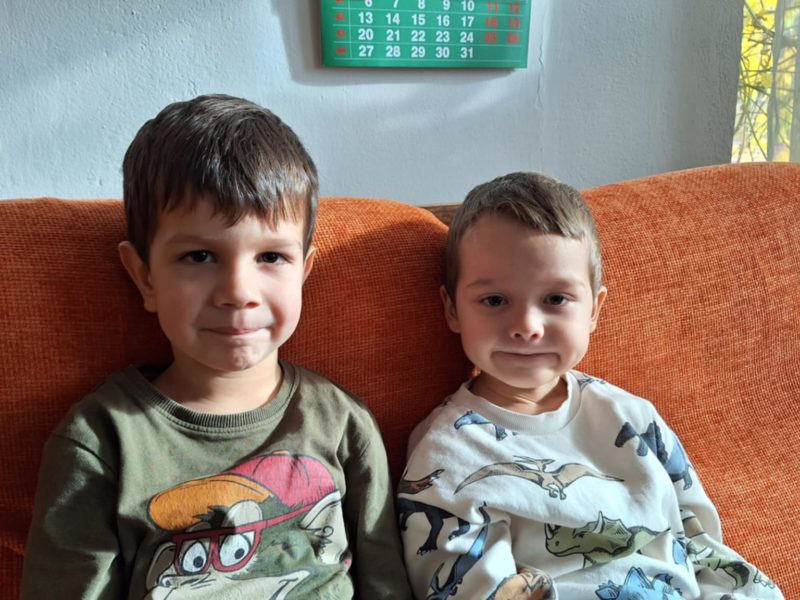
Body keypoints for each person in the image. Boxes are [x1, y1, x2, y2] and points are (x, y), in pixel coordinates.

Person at [22, 94, 411, 599]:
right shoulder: (101, 440)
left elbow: (385, 584)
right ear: (144, 277)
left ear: (304, 272)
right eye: (199, 256)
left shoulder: (341, 422)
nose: (238, 292)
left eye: (271, 257)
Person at [397, 172, 783, 599]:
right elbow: (466, 588)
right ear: (452, 309)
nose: (526, 326)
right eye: (495, 300)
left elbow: (702, 545)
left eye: (555, 299)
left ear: (595, 310)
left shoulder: (632, 417)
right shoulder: (447, 454)